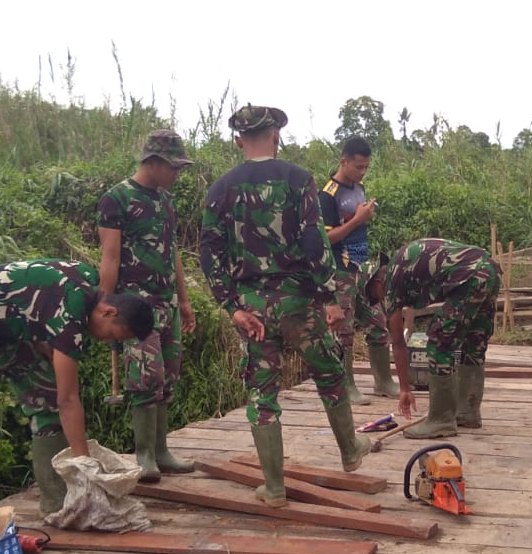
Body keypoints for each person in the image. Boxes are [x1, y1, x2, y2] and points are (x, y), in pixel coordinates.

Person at [199, 105, 370, 507]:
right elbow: (315, 242)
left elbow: (209, 253)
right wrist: (330, 296)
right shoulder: (298, 179)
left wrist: (230, 307)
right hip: (299, 302)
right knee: (329, 373)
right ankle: (349, 451)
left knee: (262, 394)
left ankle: (274, 488)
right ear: (276, 135)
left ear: (239, 140)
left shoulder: (220, 188)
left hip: (252, 309)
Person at [0, 259, 153, 522]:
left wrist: (43, 342)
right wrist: (86, 465)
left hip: (17, 334)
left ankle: (59, 505)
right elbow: (68, 399)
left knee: (46, 404)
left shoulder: (88, 285)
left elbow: (37, 306)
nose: (108, 342)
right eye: (113, 336)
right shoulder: (72, 316)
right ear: (108, 312)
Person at [97, 129, 198, 482]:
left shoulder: (166, 201)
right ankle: (143, 455)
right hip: (134, 307)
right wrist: (104, 306)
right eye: (173, 167)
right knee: (144, 378)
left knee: (168, 375)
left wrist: (184, 300)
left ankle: (161, 450)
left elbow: (174, 255)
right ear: (153, 162)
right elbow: (109, 258)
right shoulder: (118, 199)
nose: (177, 174)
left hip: (167, 302)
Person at [359, 238, 500, 439]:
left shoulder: (392, 281)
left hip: (468, 277)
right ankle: (467, 412)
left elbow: (398, 342)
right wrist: (405, 386)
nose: (381, 301)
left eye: (377, 296)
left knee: (439, 340)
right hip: (489, 270)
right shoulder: (402, 265)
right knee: (473, 340)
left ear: (378, 282)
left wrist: (405, 388)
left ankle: (441, 420)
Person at [318, 136, 399, 403]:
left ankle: (384, 381)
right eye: (358, 167)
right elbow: (326, 238)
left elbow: (357, 224)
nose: (362, 172)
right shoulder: (328, 194)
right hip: (340, 269)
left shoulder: (359, 188)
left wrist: (364, 218)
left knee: (379, 322)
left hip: (363, 267)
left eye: (366, 167)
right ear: (343, 161)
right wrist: (358, 220)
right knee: (345, 329)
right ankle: (346, 386)